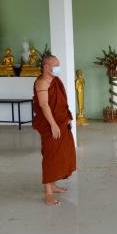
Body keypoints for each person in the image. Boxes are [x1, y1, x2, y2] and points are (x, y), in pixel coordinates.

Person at [32, 55, 76, 206]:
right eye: (55, 65)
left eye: (59, 64)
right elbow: (44, 105)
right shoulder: (42, 82)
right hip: (51, 125)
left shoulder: (56, 81)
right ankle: (48, 193)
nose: (58, 67)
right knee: (51, 156)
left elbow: (61, 102)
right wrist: (53, 124)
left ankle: (54, 184)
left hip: (62, 123)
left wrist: (67, 117)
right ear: (45, 67)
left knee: (61, 154)